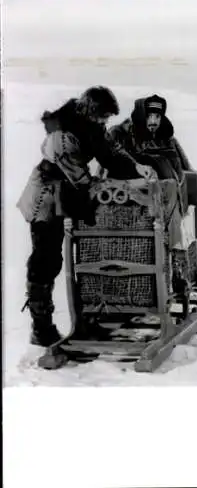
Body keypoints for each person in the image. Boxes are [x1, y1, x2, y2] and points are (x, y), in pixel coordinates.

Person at [17, 86, 120, 346]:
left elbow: (109, 152)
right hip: (46, 199)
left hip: (67, 196)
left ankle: (85, 319)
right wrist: (99, 185)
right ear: (90, 112)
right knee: (46, 260)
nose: (104, 123)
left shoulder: (87, 127)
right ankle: (41, 328)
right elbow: (79, 177)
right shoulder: (61, 136)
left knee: (81, 257)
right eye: (102, 117)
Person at [105, 94, 194, 180]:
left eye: (157, 116)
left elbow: (185, 171)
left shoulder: (168, 140)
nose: (153, 121)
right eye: (148, 116)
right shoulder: (117, 134)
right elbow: (104, 168)